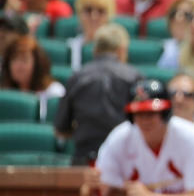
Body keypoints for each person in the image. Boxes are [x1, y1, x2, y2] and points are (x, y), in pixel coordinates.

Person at [55, 23, 142, 165]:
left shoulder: (76, 78)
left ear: (95, 50)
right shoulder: (134, 77)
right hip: (125, 161)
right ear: (121, 50)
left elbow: (60, 128)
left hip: (86, 160)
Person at [0, 34, 64, 120]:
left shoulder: (54, 92)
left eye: (24, 60)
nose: (18, 66)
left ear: (37, 64)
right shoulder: (3, 93)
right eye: (14, 60)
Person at [67, 0, 115, 71]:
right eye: (88, 10)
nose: (94, 16)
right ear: (79, 12)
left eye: (100, 10)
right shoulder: (70, 48)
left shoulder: (117, 51)